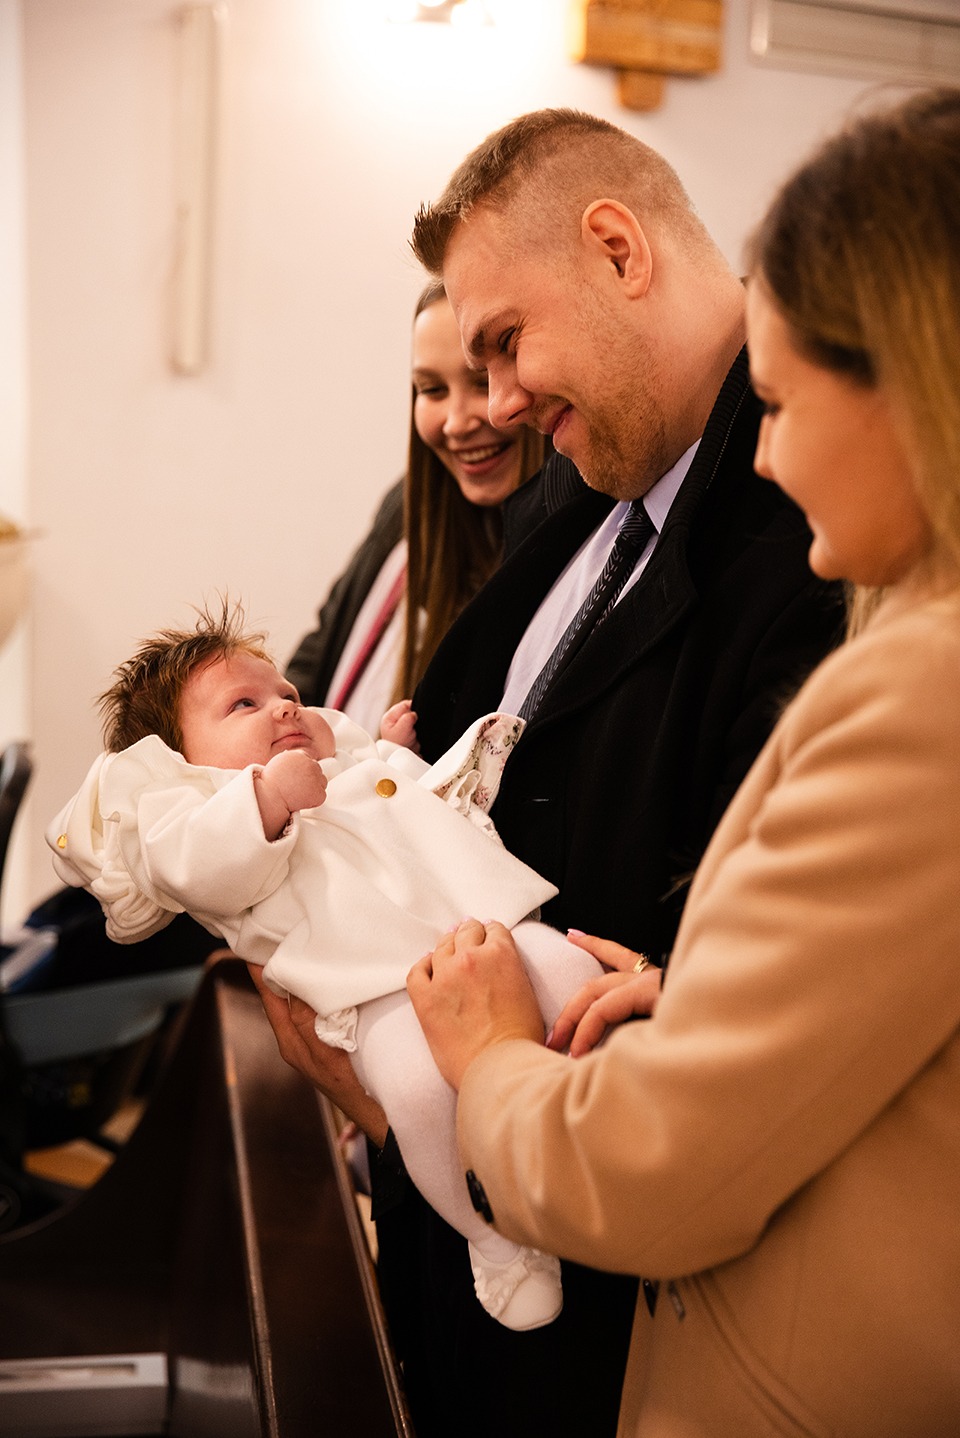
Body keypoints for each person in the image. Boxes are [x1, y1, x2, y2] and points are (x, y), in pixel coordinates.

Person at [254, 109, 846, 1438]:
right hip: (458, 1191)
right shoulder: (591, 483)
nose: (499, 402)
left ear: (618, 251)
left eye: (508, 342)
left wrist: (439, 1084)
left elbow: (708, 974)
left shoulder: (806, 528)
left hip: (597, 1271)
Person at [407, 87, 960, 1436]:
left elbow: (661, 1168)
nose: (762, 446)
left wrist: (484, 1059)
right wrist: (689, 995)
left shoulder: (916, 675)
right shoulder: (591, 502)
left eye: (776, 397)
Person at [47, 604, 605, 1332]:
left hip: (481, 928)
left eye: (287, 694)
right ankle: (494, 1239)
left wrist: (389, 754)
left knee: (571, 974)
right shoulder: (197, 820)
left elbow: (409, 809)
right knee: (416, 1096)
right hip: (377, 995)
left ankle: (610, 1152)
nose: (282, 706)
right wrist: (268, 798)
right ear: (179, 762)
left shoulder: (338, 768)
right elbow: (199, 870)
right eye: (243, 704)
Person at [286, 281, 546, 731]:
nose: (456, 422)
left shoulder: (578, 560)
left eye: (482, 382)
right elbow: (308, 674)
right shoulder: (404, 510)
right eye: (431, 389)